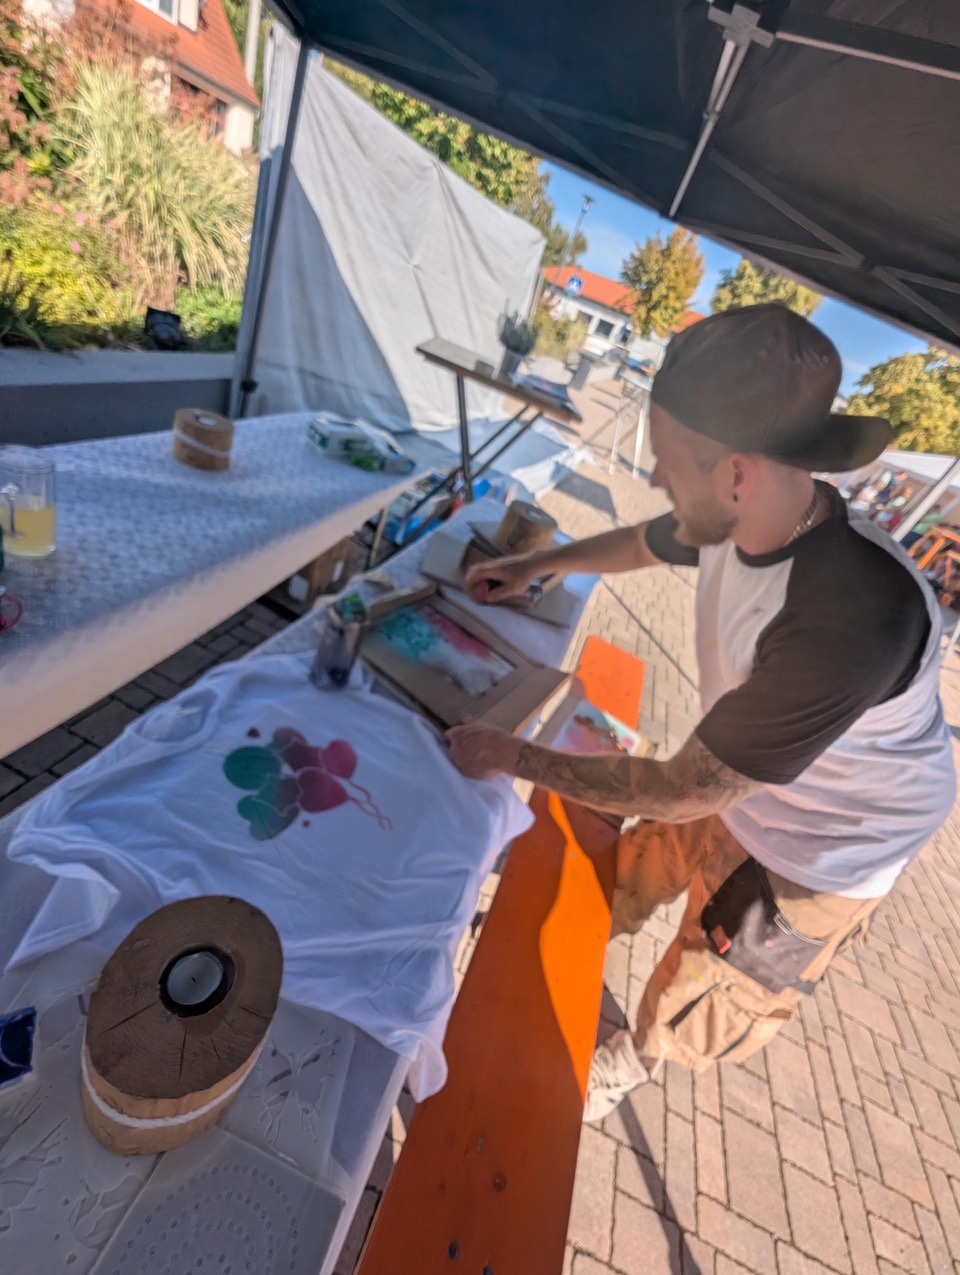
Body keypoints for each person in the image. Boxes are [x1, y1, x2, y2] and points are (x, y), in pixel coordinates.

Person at [446, 304, 956, 1123]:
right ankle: (556, 932)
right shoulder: (740, 512)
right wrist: (537, 566)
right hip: (742, 775)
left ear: (737, 474)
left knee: (707, 981)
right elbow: (646, 541)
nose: (654, 476)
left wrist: (509, 753)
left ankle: (631, 1059)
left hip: (825, 848)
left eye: (668, 460)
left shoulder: (855, 616)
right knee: (635, 864)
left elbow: (683, 787)